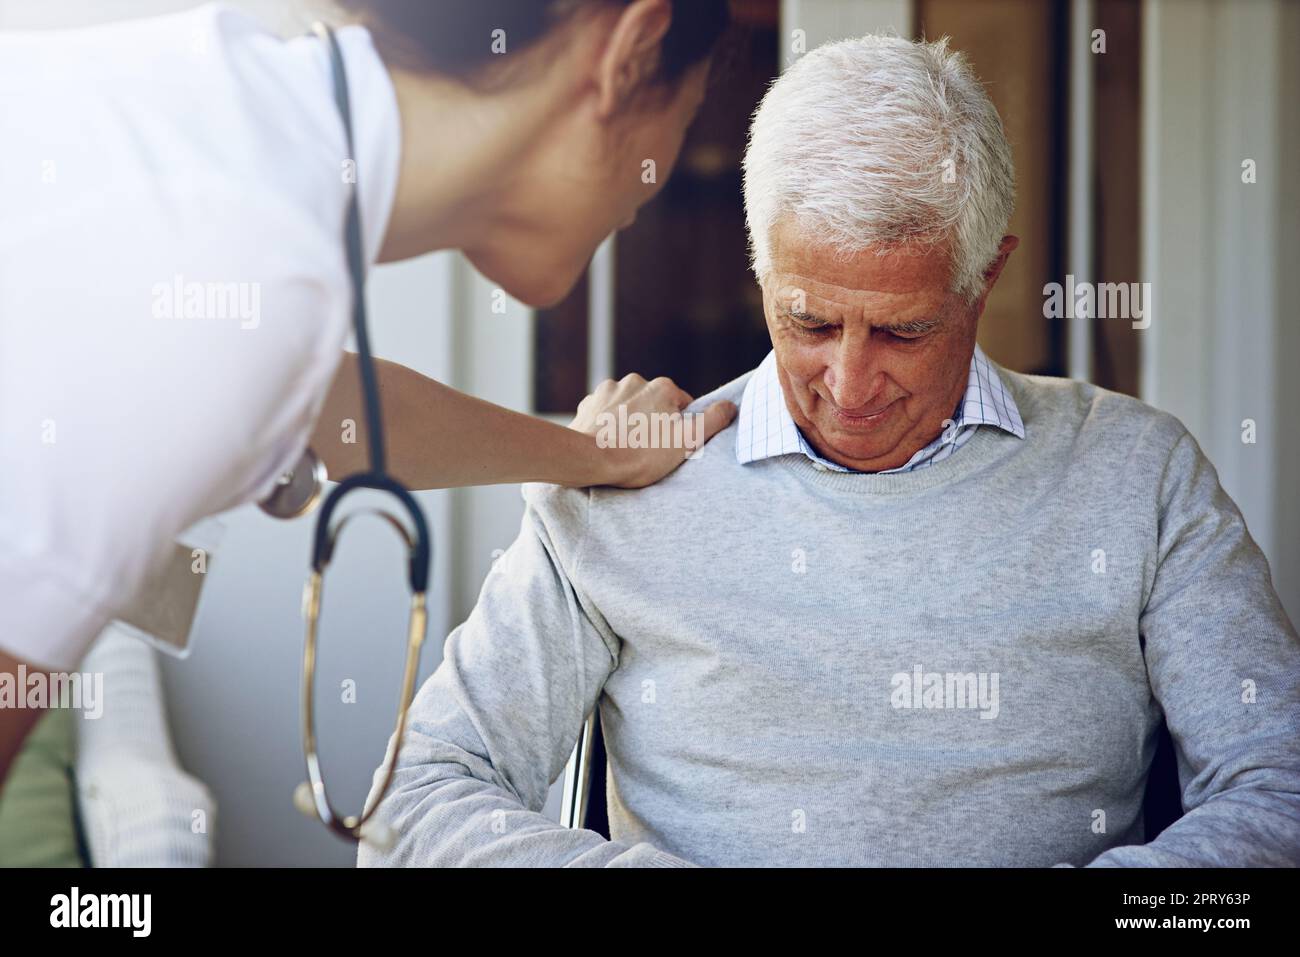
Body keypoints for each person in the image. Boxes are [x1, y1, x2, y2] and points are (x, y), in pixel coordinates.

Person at [357, 35, 1300, 867]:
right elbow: (410, 810)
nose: (848, 388)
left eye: (902, 331)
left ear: (988, 277)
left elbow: (1280, 791)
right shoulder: (622, 482)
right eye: (808, 321)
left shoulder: (1140, 474)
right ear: (760, 266)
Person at [0, 0, 734, 784]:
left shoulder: (239, 129)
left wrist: (590, 456)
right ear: (632, 49)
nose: (655, 184)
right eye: (689, 113)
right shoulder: (234, 254)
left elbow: (331, 406)